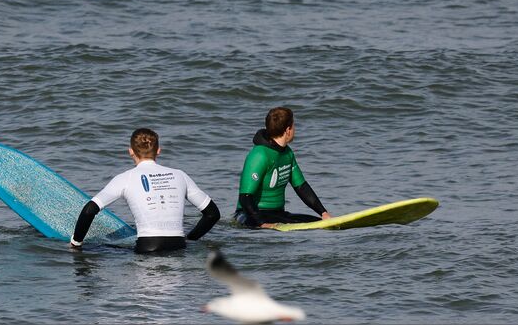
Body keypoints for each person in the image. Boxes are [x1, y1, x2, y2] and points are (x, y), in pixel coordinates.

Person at [70, 128, 220, 254]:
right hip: (179, 247)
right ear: (158, 151)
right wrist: (190, 239)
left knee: (97, 250)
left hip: (148, 248)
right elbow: (212, 214)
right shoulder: (180, 175)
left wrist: (76, 243)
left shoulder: (125, 178)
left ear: (130, 151)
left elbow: (89, 210)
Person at [234, 107, 330, 228]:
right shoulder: (259, 155)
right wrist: (262, 224)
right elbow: (245, 197)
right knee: (290, 225)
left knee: (317, 222)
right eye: (294, 126)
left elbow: (301, 187)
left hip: (277, 214)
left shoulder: (287, 153)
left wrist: (323, 213)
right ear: (288, 130)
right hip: (248, 215)